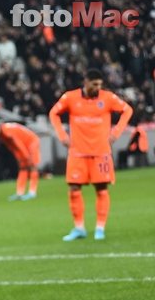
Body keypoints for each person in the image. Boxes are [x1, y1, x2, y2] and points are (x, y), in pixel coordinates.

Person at [49, 68, 133, 241]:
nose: (98, 88)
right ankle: (79, 228)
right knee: (74, 189)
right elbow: (53, 113)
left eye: (100, 85)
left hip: (100, 153)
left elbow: (127, 110)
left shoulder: (107, 98)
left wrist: (116, 132)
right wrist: (62, 135)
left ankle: (100, 228)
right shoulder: (70, 98)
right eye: (95, 84)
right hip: (77, 153)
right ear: (85, 82)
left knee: (101, 189)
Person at [0, 121, 41, 201]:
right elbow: (12, 147)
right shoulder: (2, 134)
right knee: (23, 167)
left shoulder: (6, 130)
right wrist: (19, 158)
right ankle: (20, 193)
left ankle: (32, 192)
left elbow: (17, 143)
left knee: (32, 166)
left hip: (31, 141)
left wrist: (26, 156)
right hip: (25, 144)